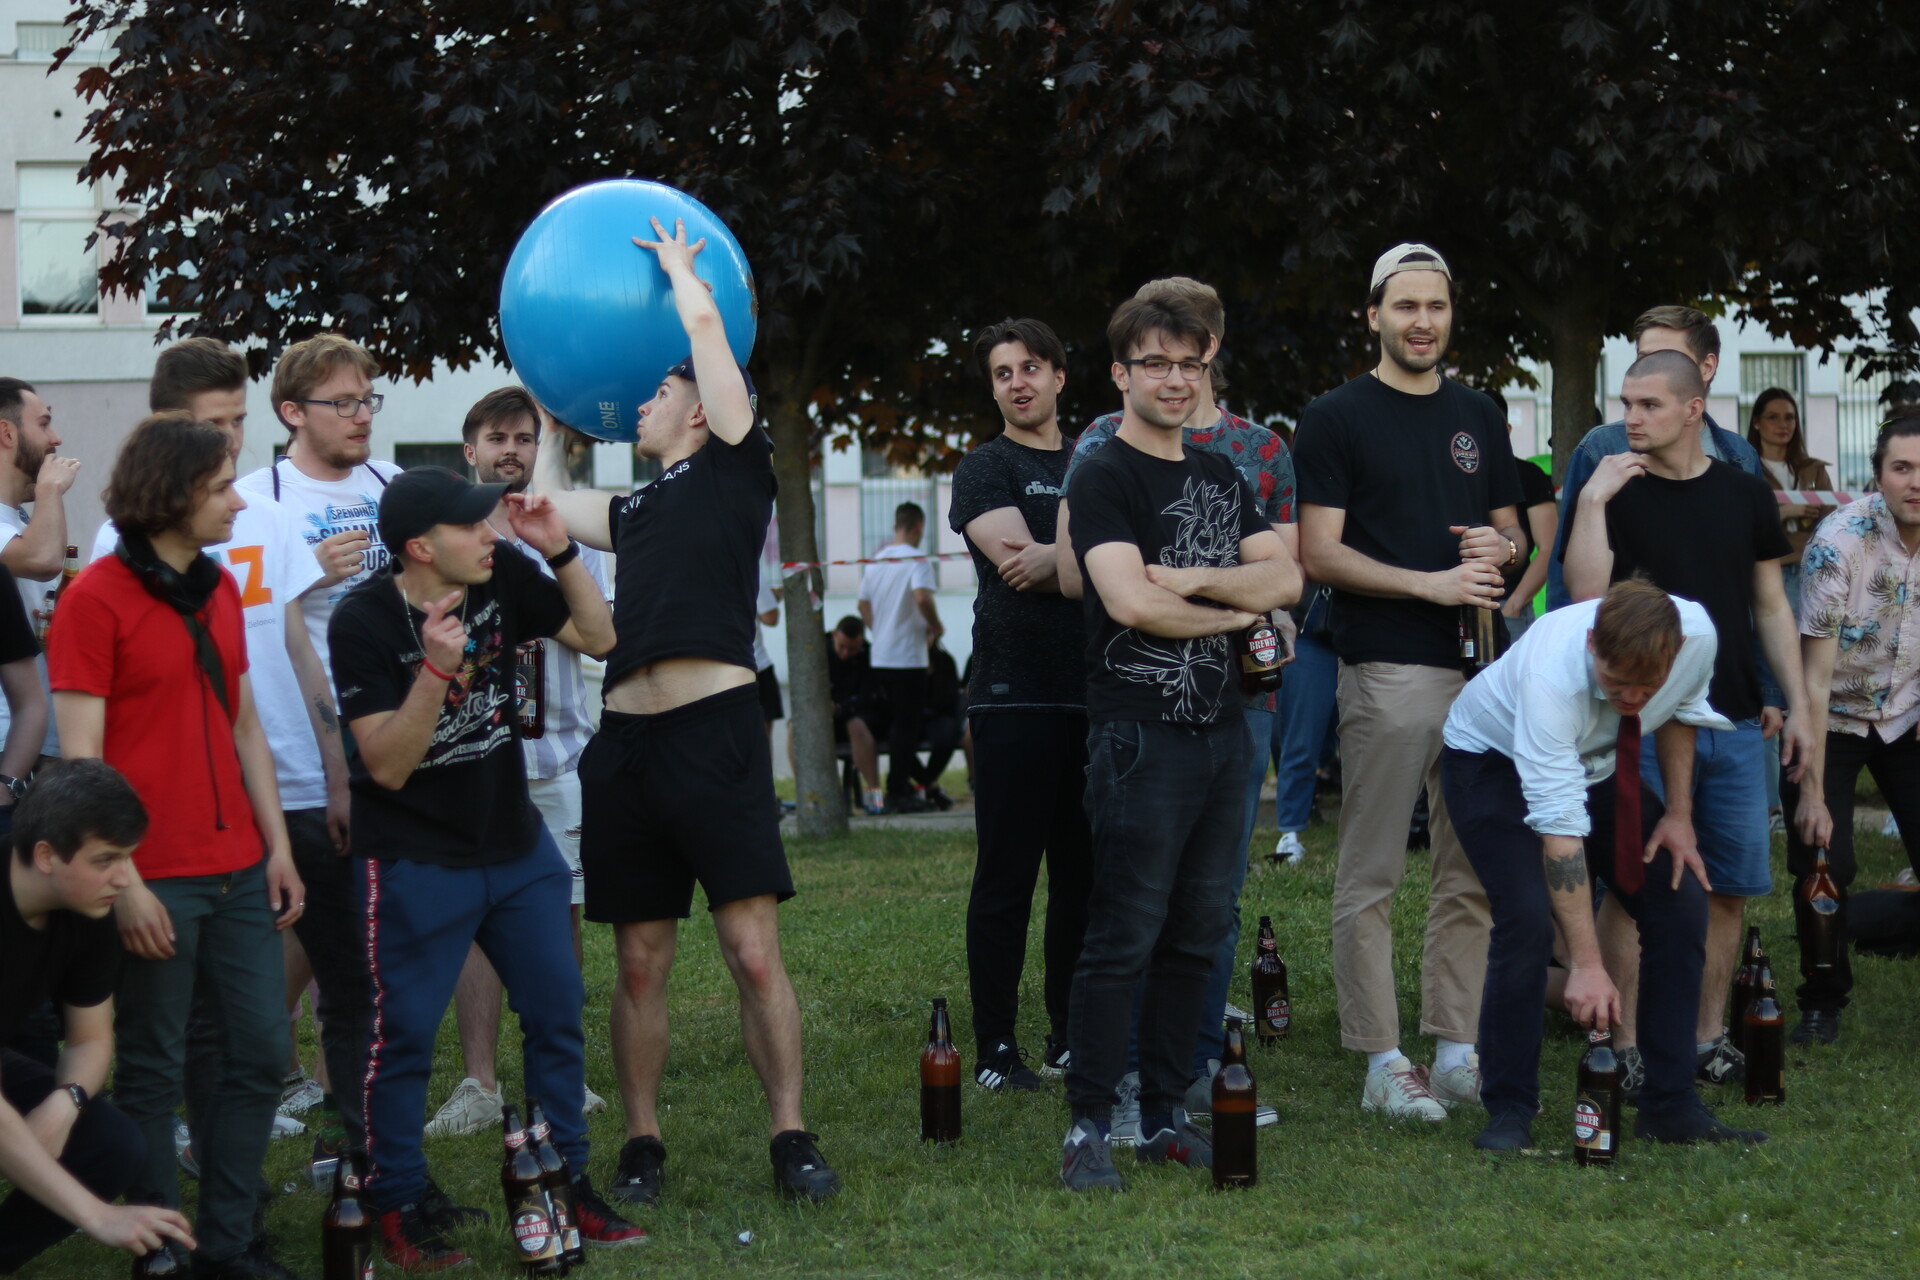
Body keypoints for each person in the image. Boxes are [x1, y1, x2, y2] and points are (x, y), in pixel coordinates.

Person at [533, 216, 841, 1208]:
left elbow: (710, 342)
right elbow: (548, 512)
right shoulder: (634, 509)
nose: (641, 402)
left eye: (658, 392)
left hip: (714, 735)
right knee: (638, 962)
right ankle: (642, 1140)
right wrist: (548, 424)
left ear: (701, 410)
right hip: (627, 744)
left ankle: (790, 1132)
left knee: (751, 951)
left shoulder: (734, 468)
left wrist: (677, 272)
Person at [330, 466, 637, 1269]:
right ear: (420, 548)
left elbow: (601, 638)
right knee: (402, 1038)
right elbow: (386, 766)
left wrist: (559, 550)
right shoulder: (363, 620)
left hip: (515, 845)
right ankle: (397, 1205)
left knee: (556, 1010)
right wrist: (436, 671)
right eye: (470, 525)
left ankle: (565, 1184)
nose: (488, 534)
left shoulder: (500, 575)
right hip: (415, 857)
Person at [49, 413, 304, 1279]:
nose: (238, 502)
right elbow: (81, 764)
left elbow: (246, 726)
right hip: (153, 876)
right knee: (153, 1066)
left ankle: (229, 1243)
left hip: (239, 867)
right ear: (172, 495)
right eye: (221, 487)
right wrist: (124, 884)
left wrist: (277, 846)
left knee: (261, 1052)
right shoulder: (93, 599)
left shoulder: (220, 587)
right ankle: (161, 1249)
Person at [1053, 290, 1298, 1191]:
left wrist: (1193, 580)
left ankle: (1162, 1114)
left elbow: (1289, 577)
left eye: (1190, 365)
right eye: (1155, 363)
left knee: (1198, 932)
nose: (1174, 379)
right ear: (1121, 373)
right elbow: (1128, 601)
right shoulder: (1102, 475)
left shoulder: (1222, 476)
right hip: (1139, 734)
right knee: (1124, 932)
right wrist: (1238, 611)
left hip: (1225, 732)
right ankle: (1089, 1124)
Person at [91, 338, 358, 1162]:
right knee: (192, 1019)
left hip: (294, 783)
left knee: (351, 976)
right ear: (166, 427)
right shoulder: (113, 548)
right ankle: (190, 1169)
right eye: (215, 424)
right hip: (185, 812)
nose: (233, 441)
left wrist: (337, 771)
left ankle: (354, 1157)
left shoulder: (262, 515)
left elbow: (295, 647)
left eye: (240, 421)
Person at [1291, 243, 1525, 1119]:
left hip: (1482, 672)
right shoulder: (1335, 416)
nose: (1422, 322)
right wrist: (1430, 585)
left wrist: (1503, 548)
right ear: (1374, 316)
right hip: (1388, 667)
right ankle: (1382, 1060)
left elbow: (1513, 533)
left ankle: (1457, 1048)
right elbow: (1319, 554)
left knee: (1473, 866)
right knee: (1375, 872)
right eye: (1405, 306)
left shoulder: (1479, 412)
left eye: (1436, 306)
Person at [1442, 579, 1768, 1149]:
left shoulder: (1695, 636)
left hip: (1594, 760)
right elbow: (1562, 837)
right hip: (1491, 761)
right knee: (1526, 918)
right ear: (1593, 642)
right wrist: (1587, 965)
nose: (1634, 697)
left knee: (1679, 900)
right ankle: (1510, 1107)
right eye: (1617, 684)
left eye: (1648, 686)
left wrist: (1679, 814)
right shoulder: (1550, 677)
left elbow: (1679, 711)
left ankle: (1671, 1107)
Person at [1563, 349, 1813, 1093]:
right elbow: (1583, 597)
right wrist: (1592, 501)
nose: (1631, 419)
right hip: (1637, 721)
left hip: (1732, 720)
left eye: (1648, 405)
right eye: (1626, 404)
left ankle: (1706, 1039)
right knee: (1633, 884)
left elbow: (1770, 606)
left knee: (1727, 886)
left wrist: (1798, 703)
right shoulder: (1616, 490)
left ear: (1693, 408)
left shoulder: (1744, 492)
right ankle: (1625, 1045)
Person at [425, 388, 615, 1138]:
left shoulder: (563, 528)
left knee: (560, 915)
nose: (510, 450)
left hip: (559, 752)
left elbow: (599, 629)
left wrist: (538, 575)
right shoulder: (448, 534)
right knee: (474, 918)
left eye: (523, 438)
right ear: (469, 448)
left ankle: (563, 1076)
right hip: (473, 759)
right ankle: (478, 1082)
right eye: (496, 437)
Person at [949, 317, 1092, 1091]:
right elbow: (1021, 567)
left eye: (1031, 367)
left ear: (1059, 376)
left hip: (1095, 695)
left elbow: (1094, 561)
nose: (1017, 383)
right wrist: (1088, 558)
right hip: (1011, 699)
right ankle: (996, 1050)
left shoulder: (1096, 458)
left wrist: (1063, 559)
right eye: (1003, 373)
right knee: (1006, 880)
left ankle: (1070, 1035)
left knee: (1083, 879)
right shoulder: (984, 467)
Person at [0, 761, 201, 1273]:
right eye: (106, 859)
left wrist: (64, 1103)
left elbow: (90, 1040)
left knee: (112, 1144)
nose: (124, 878)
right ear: (45, 855)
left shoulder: (89, 909)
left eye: (128, 857)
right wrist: (98, 1216)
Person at [1782, 415, 1920, 1046]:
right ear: (1878, 475)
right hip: (1831, 715)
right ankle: (1822, 1000)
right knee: (1824, 859)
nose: (1915, 483)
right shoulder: (1839, 541)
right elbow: (1812, 681)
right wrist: (1810, 793)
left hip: (1907, 714)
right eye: (1902, 468)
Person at [1546, 306, 1772, 612]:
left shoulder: (1739, 454)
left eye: (1666, 356)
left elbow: (1759, 591)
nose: (1649, 369)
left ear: (1706, 367)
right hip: (1630, 634)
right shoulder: (1601, 448)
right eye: (1642, 358)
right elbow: (1568, 581)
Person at [236, 333, 406, 681]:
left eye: (367, 399)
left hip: (404, 695)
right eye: (344, 403)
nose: (364, 416)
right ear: (294, 412)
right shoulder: (254, 499)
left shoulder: (392, 481)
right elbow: (237, 618)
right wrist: (308, 575)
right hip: (317, 700)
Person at [0, 377, 80, 763]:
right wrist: (50, 489)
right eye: (44, 424)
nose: (56, 439)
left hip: (36, 744)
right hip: (6, 743)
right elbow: (43, 560)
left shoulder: (18, 521)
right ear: (7, 433)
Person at [858, 501, 946, 814]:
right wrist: (935, 625)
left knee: (895, 725)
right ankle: (897, 792)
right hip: (908, 658)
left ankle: (902, 786)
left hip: (881, 656)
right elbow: (921, 597)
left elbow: (862, 604)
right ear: (919, 527)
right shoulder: (917, 560)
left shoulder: (875, 561)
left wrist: (878, 629)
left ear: (896, 525)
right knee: (906, 729)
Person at [1746, 387, 1833, 611]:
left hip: (1812, 567)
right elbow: (1740, 523)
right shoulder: (1744, 469)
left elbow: (1832, 523)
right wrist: (1785, 512)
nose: (1783, 424)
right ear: (1756, 422)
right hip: (1766, 569)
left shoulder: (1814, 469)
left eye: (1789, 417)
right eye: (1773, 417)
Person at [1492, 391, 1556, 643]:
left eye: (1490, 425)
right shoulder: (1454, 474)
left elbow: (1548, 547)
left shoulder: (1528, 474)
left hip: (1509, 604)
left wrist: (1515, 604)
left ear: (1507, 429)